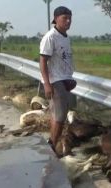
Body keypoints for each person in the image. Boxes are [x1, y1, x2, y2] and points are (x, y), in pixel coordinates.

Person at [39, 6, 76, 156]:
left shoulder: (65, 36)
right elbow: (42, 61)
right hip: (55, 80)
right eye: (64, 18)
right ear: (55, 19)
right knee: (59, 116)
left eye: (69, 18)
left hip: (64, 79)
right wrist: (47, 84)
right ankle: (52, 146)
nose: (68, 21)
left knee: (59, 115)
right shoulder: (50, 37)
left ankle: (53, 142)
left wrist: (70, 78)